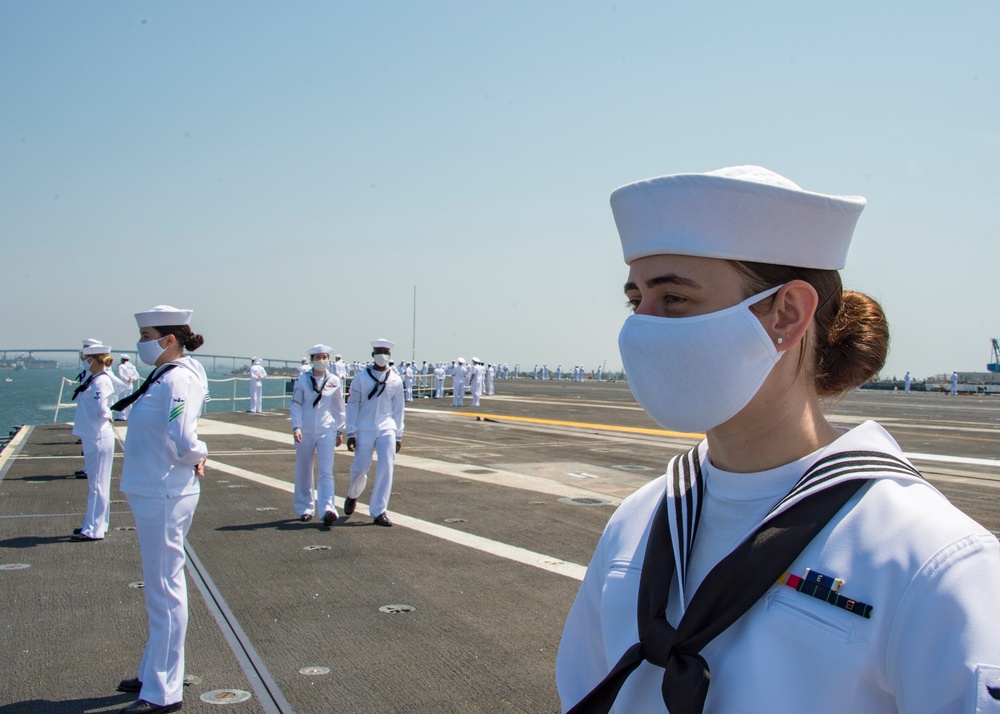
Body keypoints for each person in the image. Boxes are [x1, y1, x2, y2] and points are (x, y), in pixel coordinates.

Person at [556, 166, 1000, 714]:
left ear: (786, 314)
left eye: (673, 297)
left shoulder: (930, 560)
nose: (642, 325)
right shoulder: (638, 523)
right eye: (635, 300)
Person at [114, 305, 209, 714]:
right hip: (152, 489)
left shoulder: (179, 381)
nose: (141, 344)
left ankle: (165, 689)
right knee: (159, 586)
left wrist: (198, 454)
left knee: (166, 589)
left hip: (164, 492)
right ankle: (153, 668)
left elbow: (184, 437)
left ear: (169, 340)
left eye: (146, 335)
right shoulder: (163, 375)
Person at [345, 338, 404, 527]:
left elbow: (398, 409)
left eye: (386, 352)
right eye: (379, 352)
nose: (382, 355)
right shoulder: (361, 378)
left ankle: (379, 510)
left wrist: (399, 434)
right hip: (364, 427)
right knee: (360, 468)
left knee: (387, 467)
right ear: (372, 355)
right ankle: (353, 494)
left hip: (387, 427)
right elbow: (352, 405)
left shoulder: (396, 379)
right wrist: (351, 431)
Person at [289, 345, 346, 526]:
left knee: (326, 471)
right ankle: (304, 508)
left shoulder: (334, 380)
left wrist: (339, 430)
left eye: (325, 357)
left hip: (326, 430)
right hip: (305, 430)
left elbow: (339, 407)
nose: (322, 360)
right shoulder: (302, 380)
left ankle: (327, 509)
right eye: (318, 357)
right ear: (312, 359)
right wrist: (296, 427)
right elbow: (296, 404)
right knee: (304, 470)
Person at [70, 344, 116, 542]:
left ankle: (92, 529)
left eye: (85, 358)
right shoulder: (95, 379)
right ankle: (97, 523)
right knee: (98, 484)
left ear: (91, 359)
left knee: (96, 485)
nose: (83, 362)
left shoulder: (101, 381)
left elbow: (101, 407)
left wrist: (107, 415)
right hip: (93, 435)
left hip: (97, 436)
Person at [116, 354, 141, 420]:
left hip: (123, 385)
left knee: (122, 399)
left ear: (122, 359)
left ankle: (122, 416)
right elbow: (137, 376)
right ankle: (128, 415)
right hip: (130, 385)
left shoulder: (121, 366)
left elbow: (120, 375)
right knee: (129, 400)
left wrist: (127, 379)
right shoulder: (132, 367)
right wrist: (131, 378)